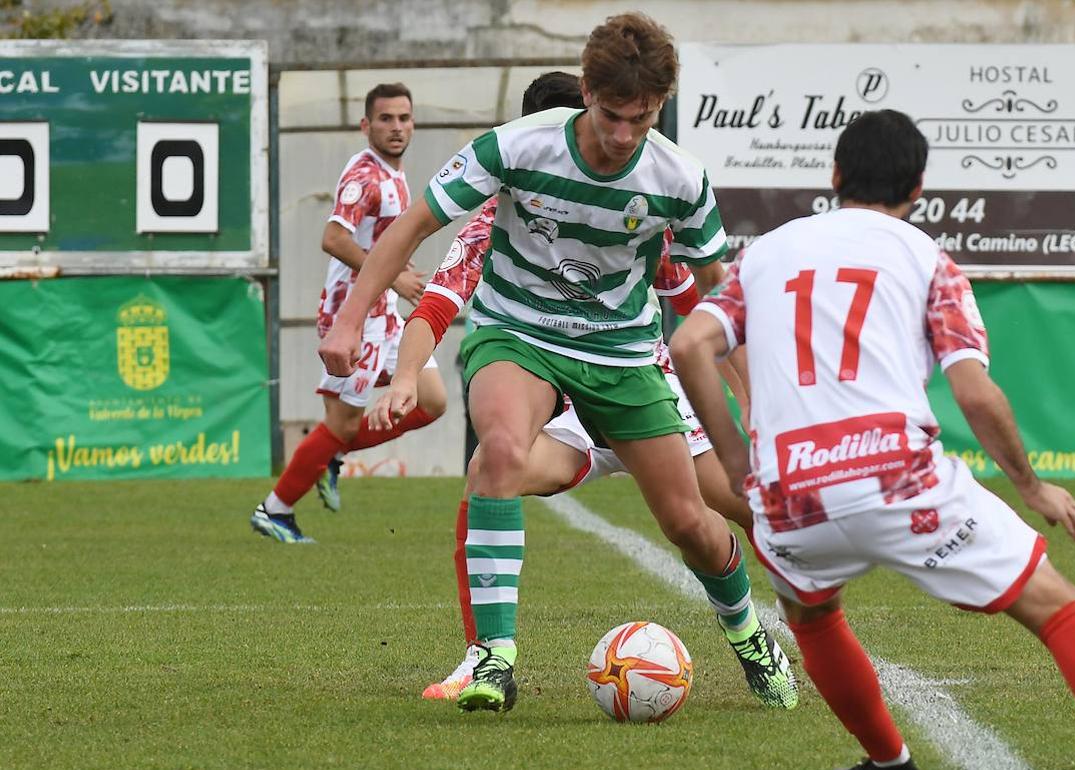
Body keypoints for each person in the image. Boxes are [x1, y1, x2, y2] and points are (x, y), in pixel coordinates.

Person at [319, 14, 797, 714]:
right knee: (499, 455)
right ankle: (495, 657)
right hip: (520, 335)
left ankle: (751, 636)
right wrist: (356, 323)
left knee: (689, 521)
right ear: (586, 92)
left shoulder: (679, 178)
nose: (623, 134)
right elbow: (416, 226)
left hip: (624, 357)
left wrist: (758, 397)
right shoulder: (514, 150)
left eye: (641, 118)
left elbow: (717, 293)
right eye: (610, 115)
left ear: (659, 105)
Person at [670, 109, 1075, 770]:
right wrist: (1030, 484)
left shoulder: (765, 254)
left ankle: (889, 763)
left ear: (836, 175)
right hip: (898, 481)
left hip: (793, 493)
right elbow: (974, 392)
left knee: (811, 616)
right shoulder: (928, 259)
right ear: (919, 190)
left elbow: (688, 344)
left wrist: (739, 462)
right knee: (1056, 608)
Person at [391, 71, 755, 700]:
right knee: (493, 467)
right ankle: (485, 654)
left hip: (638, 387)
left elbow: (706, 311)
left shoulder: (648, 212)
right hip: (563, 410)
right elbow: (435, 305)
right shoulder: (495, 221)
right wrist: (403, 372)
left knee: (735, 510)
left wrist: (752, 400)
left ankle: (767, 637)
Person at [250, 82, 447, 544]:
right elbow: (333, 239)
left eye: (404, 118)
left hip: (386, 311)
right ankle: (274, 510)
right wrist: (395, 276)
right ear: (366, 125)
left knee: (432, 399)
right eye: (385, 119)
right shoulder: (366, 177)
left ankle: (329, 457)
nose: (396, 127)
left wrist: (394, 281)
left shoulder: (393, 172)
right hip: (352, 314)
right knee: (340, 423)